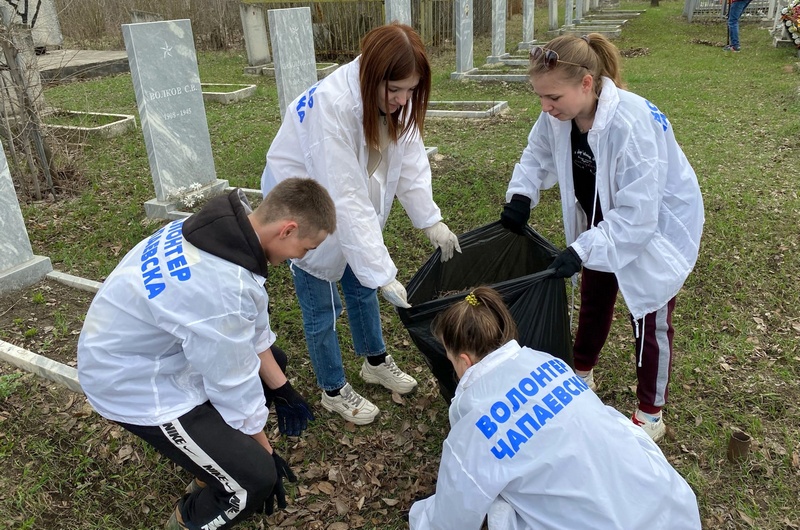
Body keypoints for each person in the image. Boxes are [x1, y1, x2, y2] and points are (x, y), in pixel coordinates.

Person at [77, 179, 337, 529]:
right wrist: (265, 453)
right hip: (133, 382)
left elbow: (251, 330)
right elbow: (232, 382)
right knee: (252, 482)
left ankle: (211, 468)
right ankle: (187, 519)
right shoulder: (222, 287)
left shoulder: (221, 232)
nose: (302, 256)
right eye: (306, 248)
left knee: (274, 362)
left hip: (149, 350)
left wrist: (282, 388)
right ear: (287, 229)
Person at [499, 33, 704, 442]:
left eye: (552, 97)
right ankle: (581, 373)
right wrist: (521, 195)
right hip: (602, 221)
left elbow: (637, 216)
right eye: (540, 97)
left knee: (650, 318)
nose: (545, 107)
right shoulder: (560, 115)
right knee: (594, 297)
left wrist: (580, 248)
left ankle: (650, 413)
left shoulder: (631, 123)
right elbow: (537, 155)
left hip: (654, 229)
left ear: (587, 84)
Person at [261, 23, 461, 425]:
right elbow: (343, 194)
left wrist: (431, 221)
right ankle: (333, 387)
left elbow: (410, 164)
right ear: (372, 75)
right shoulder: (332, 105)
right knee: (321, 308)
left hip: (349, 207)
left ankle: (374, 360)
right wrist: (381, 269)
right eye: (395, 90)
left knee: (363, 287)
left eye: (411, 90)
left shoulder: (395, 104)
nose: (403, 100)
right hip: (303, 210)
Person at [408, 287, 702, 530]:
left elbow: (449, 518)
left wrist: (419, 516)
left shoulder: (472, 428)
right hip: (667, 506)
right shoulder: (549, 363)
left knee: (499, 503)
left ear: (464, 361)